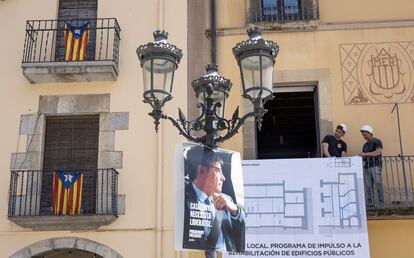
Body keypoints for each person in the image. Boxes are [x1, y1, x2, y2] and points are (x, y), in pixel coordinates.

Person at [183, 145, 245, 252]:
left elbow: (247, 234)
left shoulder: (227, 200)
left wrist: (235, 211)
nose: (223, 177)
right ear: (202, 170)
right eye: (219, 171)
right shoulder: (182, 200)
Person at [359, 125, 384, 207]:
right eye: (363, 135)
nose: (364, 136)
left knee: (378, 184)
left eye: (365, 134)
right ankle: (370, 203)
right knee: (368, 186)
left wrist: (365, 154)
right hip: (367, 167)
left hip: (375, 165)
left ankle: (381, 202)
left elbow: (378, 152)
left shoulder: (377, 141)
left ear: (370, 133)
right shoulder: (365, 145)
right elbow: (364, 156)